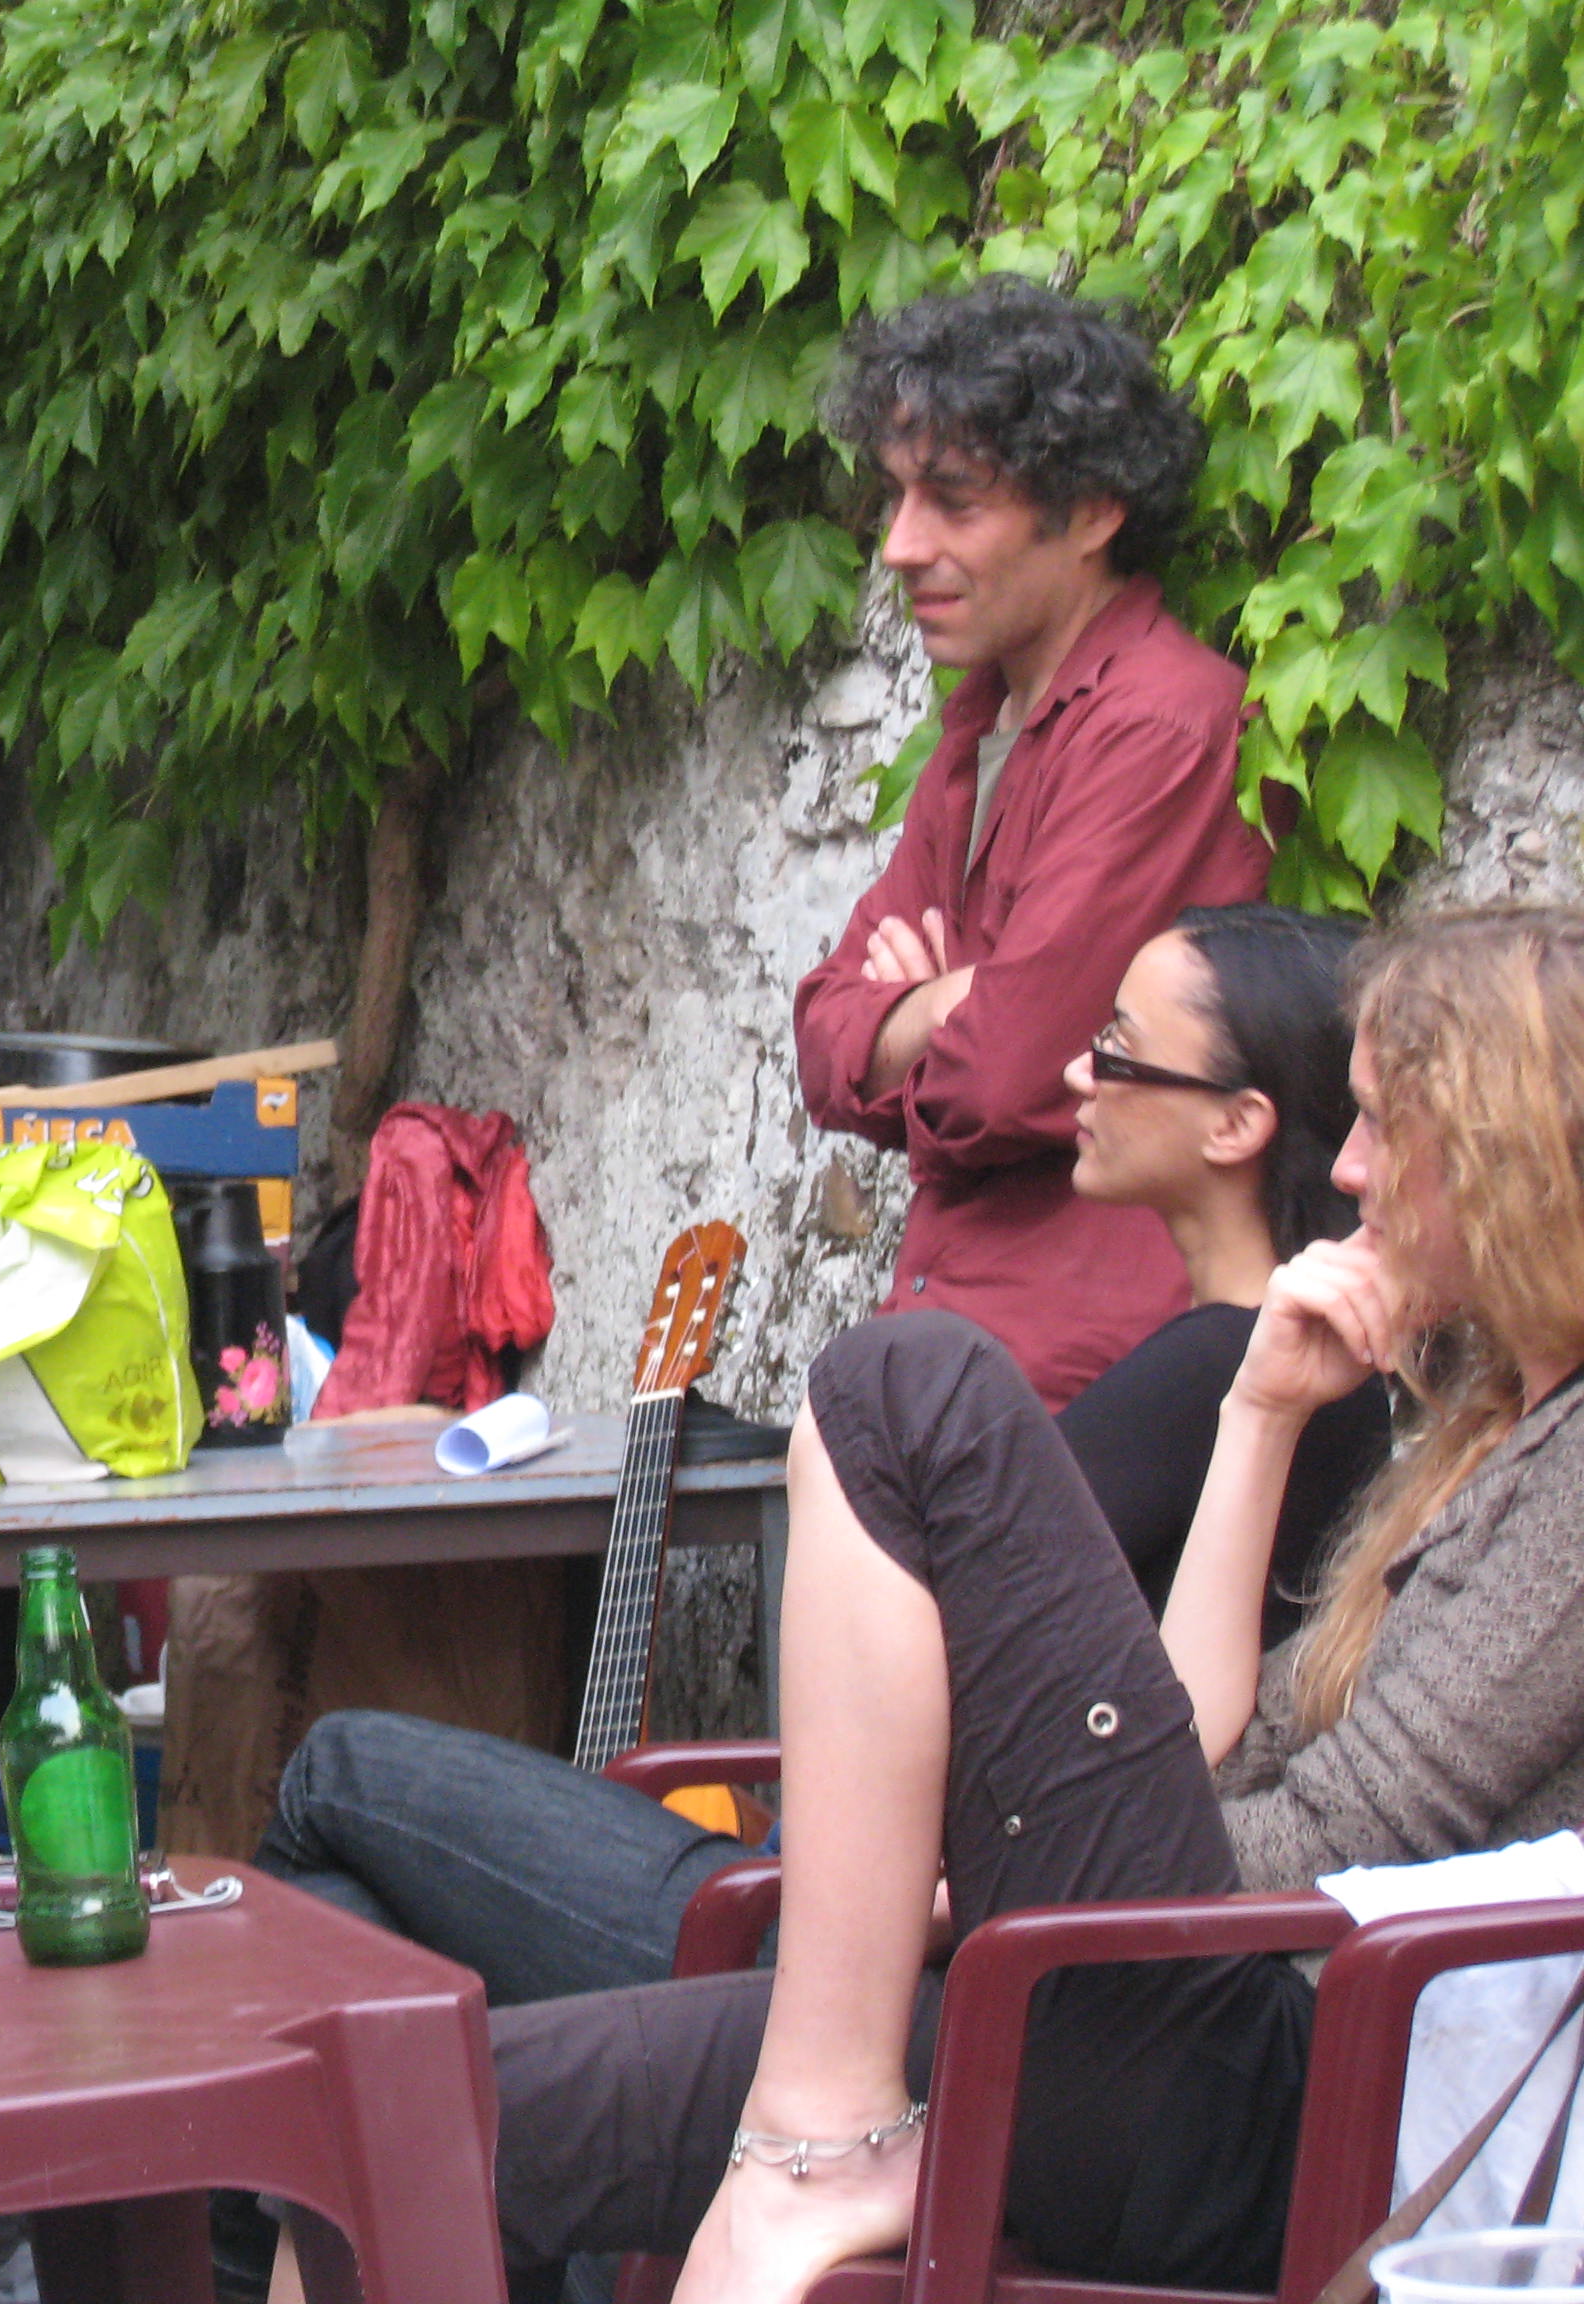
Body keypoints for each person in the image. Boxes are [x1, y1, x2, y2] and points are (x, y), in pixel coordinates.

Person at [493, 905, 1584, 2304]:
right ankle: (818, 2123)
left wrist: (988, 1884)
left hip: (1274, 2099)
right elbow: (1216, 1744)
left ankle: (820, 2136)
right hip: (1140, 2018)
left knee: (908, 1391)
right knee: (433, 2110)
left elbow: (1346, 1837)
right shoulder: (1485, 1425)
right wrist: (1257, 1414)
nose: (1349, 1168)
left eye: (1386, 1127)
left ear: (1508, 1163)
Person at [258, 903, 1389, 2008]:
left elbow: (1111, 1701)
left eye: (1119, 1051)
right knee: (374, 1904)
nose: (1076, 1074)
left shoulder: (1225, 1374)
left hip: (841, 1943)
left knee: (334, 1771)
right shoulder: (1283, 1376)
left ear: (1235, 1126)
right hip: (874, 1914)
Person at [794, 279, 1274, 1411]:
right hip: (954, 1358)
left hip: (1084, 1388)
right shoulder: (977, 729)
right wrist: (950, 1004)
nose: (900, 545)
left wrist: (922, 1017)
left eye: (955, 503)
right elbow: (822, 1041)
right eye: (898, 496)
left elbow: (1006, 1078)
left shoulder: (1161, 723)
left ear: (1095, 510)